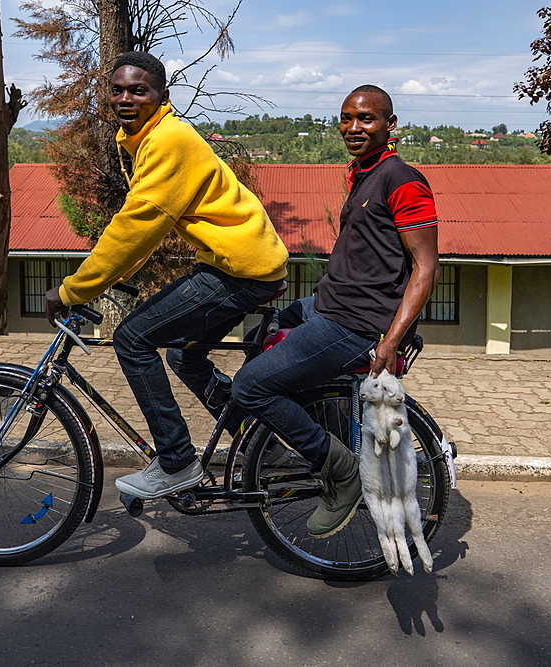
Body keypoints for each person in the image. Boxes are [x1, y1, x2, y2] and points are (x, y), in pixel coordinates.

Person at [44, 52, 289, 500]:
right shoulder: (142, 137)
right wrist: (115, 277)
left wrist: (72, 290)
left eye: (138, 90)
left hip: (240, 269)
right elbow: (144, 227)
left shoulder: (168, 139)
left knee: (133, 339)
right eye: (117, 89)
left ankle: (176, 461)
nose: (125, 98)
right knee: (181, 353)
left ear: (162, 97)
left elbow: (136, 225)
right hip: (238, 262)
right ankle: (255, 437)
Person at [232, 84, 440, 539]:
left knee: (249, 387)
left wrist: (390, 340)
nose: (353, 127)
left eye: (366, 118)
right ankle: (278, 432)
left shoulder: (402, 180)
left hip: (355, 323)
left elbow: (426, 268)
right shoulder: (362, 174)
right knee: (265, 329)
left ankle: (340, 470)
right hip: (327, 304)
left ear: (390, 124)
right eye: (346, 118)